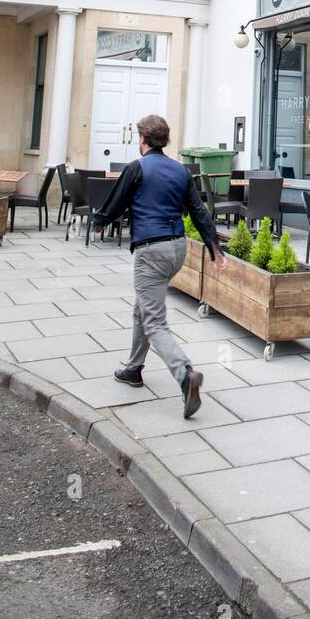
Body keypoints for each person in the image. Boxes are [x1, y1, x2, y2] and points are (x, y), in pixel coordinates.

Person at [92, 115, 227, 418]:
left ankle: (185, 376)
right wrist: (214, 248)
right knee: (143, 308)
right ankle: (133, 369)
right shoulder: (181, 171)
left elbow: (115, 204)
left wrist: (98, 223)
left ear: (143, 139)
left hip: (151, 250)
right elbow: (199, 212)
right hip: (177, 249)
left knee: (154, 321)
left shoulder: (136, 168)